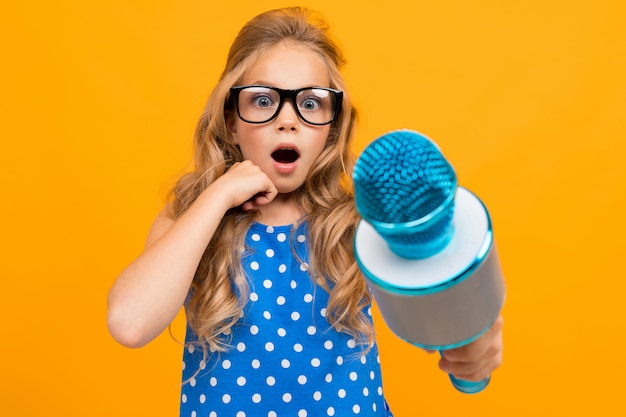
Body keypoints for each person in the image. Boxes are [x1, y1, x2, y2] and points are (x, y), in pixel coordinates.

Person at [107, 6, 503, 417]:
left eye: (311, 104)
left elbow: (448, 305)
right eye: (263, 100)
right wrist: (218, 195)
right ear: (230, 122)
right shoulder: (190, 219)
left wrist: (480, 336)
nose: (288, 120)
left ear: (332, 127)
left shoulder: (357, 227)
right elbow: (129, 323)